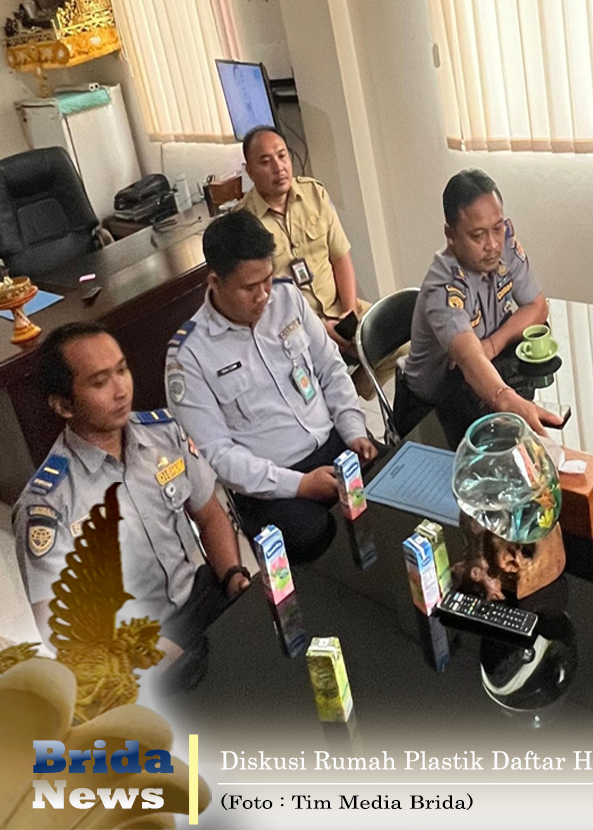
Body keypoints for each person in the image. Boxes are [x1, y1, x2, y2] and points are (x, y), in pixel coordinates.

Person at [13, 323, 249, 653]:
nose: (121, 390)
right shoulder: (47, 502)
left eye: (122, 370)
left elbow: (209, 515)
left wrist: (233, 575)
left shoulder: (165, 433)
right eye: (100, 382)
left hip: (198, 596)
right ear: (64, 406)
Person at [166, 211, 377, 562]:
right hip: (271, 485)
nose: (264, 295)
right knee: (319, 542)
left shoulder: (287, 298)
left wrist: (353, 430)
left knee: (389, 487)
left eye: (267, 279)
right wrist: (299, 485)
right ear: (215, 282)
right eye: (250, 287)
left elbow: (330, 368)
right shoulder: (188, 356)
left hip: (333, 441)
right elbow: (218, 455)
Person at [401, 169, 562, 447]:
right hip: (432, 410)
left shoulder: (504, 245)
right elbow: (469, 358)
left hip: (481, 381)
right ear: (450, 235)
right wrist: (506, 399)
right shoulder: (444, 286)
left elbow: (537, 306)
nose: (493, 245)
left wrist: (493, 344)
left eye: (497, 228)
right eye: (478, 235)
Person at [237, 126, 366, 354]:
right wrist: (319, 328)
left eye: (282, 156)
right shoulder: (243, 223)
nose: (279, 167)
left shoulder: (314, 193)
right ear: (250, 171)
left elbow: (340, 256)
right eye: (266, 162)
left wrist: (349, 313)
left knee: (403, 348)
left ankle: (358, 378)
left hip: (340, 309)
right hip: (292, 329)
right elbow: (260, 301)